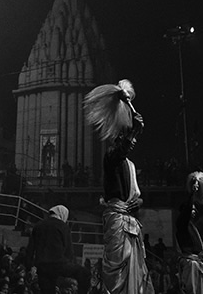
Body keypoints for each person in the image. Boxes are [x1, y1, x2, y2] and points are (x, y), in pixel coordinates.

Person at [84, 80, 154, 293]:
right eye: (124, 136)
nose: (126, 139)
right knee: (116, 280)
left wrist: (137, 203)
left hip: (131, 225)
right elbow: (120, 152)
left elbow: (137, 196)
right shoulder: (111, 156)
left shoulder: (130, 165)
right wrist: (135, 132)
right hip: (117, 223)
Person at [25, 205, 89, 294]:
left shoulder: (38, 226)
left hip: (42, 267)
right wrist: (69, 264)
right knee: (84, 273)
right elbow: (69, 251)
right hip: (59, 265)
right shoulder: (63, 226)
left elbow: (30, 249)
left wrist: (30, 267)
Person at [175, 171, 203, 294]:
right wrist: (193, 193)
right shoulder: (182, 223)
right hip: (191, 265)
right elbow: (187, 211)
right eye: (192, 209)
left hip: (197, 265)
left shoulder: (191, 226)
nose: (194, 211)